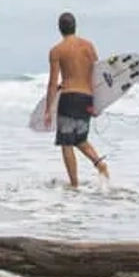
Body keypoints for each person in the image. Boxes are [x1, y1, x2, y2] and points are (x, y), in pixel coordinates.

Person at [42, 11, 110, 187]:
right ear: (75, 26)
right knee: (80, 139)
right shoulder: (88, 46)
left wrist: (48, 109)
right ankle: (100, 164)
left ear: (60, 28)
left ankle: (74, 185)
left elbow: (52, 82)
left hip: (69, 97)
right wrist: (97, 103)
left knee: (66, 143)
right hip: (86, 97)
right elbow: (97, 75)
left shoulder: (57, 51)